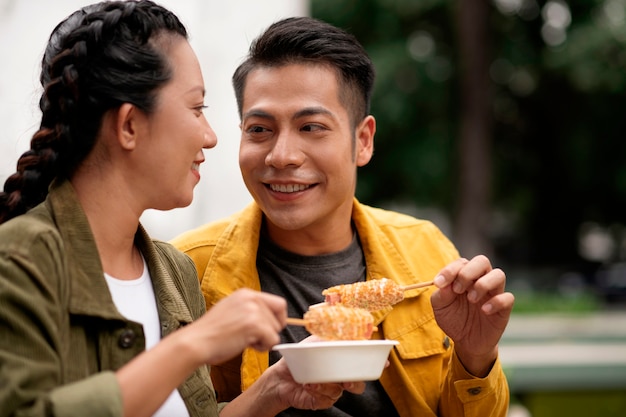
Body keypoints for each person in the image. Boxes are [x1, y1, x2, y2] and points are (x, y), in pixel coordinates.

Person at [0, 3, 363, 416]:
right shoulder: (18, 262)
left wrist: (274, 388)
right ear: (129, 126)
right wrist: (192, 344)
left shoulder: (174, 271)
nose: (209, 137)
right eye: (197, 109)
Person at [172, 16, 515, 417]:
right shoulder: (184, 271)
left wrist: (477, 355)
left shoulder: (426, 251)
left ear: (363, 141)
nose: (281, 155)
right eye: (260, 129)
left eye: (311, 126)